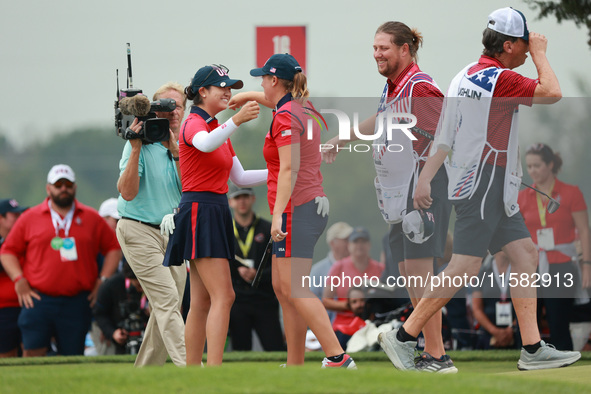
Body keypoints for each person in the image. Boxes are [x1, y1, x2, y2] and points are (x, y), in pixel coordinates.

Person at [382, 7, 581, 371]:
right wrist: (540, 54)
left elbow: (444, 134)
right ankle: (404, 337)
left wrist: (426, 176)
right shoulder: (500, 79)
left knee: (523, 253)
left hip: (486, 183)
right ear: (508, 45)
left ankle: (533, 349)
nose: (526, 49)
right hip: (484, 182)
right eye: (523, 43)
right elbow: (552, 91)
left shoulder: (463, 75)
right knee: (464, 267)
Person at [322, 21, 453, 372]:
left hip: (423, 187)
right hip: (402, 192)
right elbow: (380, 120)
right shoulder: (394, 87)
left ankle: (438, 356)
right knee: (410, 270)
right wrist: (342, 138)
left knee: (422, 271)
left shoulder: (420, 86)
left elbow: (447, 135)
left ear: (405, 49)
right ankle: (427, 350)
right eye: (375, 48)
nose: (377, 54)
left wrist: (425, 179)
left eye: (384, 48)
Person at [230, 53, 356, 369]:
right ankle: (296, 363)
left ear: (275, 81)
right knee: (283, 289)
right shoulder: (299, 106)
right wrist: (245, 96)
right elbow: (271, 100)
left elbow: (289, 169)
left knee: (294, 289)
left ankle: (337, 357)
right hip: (306, 206)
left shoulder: (286, 116)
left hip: (295, 208)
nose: (260, 83)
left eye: (262, 78)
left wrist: (276, 215)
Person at [162, 64, 263, 366]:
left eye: (230, 86)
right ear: (203, 91)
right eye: (222, 86)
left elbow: (240, 177)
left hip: (215, 209)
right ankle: (214, 370)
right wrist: (236, 120)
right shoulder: (194, 121)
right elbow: (204, 144)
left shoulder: (218, 127)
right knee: (225, 296)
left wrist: (283, 174)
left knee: (203, 300)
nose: (228, 91)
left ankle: (194, 371)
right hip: (200, 209)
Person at [0, 164, 121, 356]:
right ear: (48, 189)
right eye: (58, 185)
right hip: (38, 299)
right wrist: (18, 279)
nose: (63, 189)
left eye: (68, 184)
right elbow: (8, 251)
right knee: (33, 355)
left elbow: (114, 248)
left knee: (72, 357)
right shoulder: (29, 217)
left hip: (77, 300)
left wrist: (103, 280)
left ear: (75, 187)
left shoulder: (91, 217)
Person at [116, 81, 188, 367]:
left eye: (177, 106)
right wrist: (135, 149)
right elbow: (128, 192)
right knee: (168, 301)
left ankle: (144, 376)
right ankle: (193, 370)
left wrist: (176, 151)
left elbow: (191, 188)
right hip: (138, 228)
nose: (171, 112)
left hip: (172, 232)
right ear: (151, 110)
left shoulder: (186, 143)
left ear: (184, 110)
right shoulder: (141, 143)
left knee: (167, 307)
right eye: (164, 106)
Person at [518, 143, 591, 350]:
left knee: (558, 320)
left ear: (550, 164)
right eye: (529, 166)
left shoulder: (571, 193)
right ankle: (526, 358)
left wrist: (587, 264)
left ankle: (563, 358)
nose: (532, 171)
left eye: (537, 165)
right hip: (531, 266)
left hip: (562, 264)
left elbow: (584, 230)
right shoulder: (522, 196)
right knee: (527, 317)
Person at [227, 184, 284, 351]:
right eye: (237, 198)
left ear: (253, 199)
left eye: (245, 196)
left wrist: (259, 275)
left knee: (276, 350)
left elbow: (280, 267)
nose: (241, 201)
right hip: (237, 300)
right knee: (240, 352)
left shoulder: (269, 229)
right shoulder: (225, 230)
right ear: (230, 202)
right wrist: (236, 272)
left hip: (265, 299)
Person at [322, 227, 384, 348]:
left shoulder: (380, 269)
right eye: (356, 241)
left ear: (369, 245)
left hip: (371, 324)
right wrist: (350, 305)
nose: (359, 245)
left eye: (363, 241)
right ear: (349, 245)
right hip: (343, 325)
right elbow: (326, 300)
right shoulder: (338, 267)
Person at [93, 262, 149, 355]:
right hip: (118, 334)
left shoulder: (155, 286)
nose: (142, 289)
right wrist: (112, 332)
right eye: (139, 285)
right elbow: (99, 313)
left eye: (145, 286)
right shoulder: (111, 286)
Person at [472, 252, 520, 349]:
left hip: (517, 331)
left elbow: (528, 304)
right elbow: (476, 308)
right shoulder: (483, 271)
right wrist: (494, 331)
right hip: (488, 333)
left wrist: (511, 329)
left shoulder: (519, 270)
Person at [309, 221, 353, 322]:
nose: (350, 243)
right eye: (346, 240)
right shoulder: (318, 270)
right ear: (332, 243)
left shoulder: (359, 266)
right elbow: (311, 303)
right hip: (327, 327)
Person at [0, 199, 27, 357]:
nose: (20, 218)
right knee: (6, 355)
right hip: (3, 308)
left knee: (32, 351)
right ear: (1, 218)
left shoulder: (24, 240)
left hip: (28, 304)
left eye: (20, 214)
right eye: (14, 215)